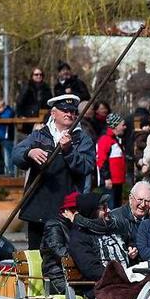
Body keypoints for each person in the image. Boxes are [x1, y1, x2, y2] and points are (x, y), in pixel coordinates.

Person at [14, 94, 95, 249]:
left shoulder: (82, 139)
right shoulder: (39, 136)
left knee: (63, 254)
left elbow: (86, 166)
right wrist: (29, 153)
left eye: (72, 111)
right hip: (38, 208)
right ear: (53, 113)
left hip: (66, 209)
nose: (69, 114)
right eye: (65, 110)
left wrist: (69, 150)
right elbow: (16, 155)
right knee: (35, 253)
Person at [69, 192, 131, 286]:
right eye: (104, 208)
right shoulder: (80, 236)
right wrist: (119, 277)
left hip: (127, 280)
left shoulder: (112, 226)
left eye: (107, 206)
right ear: (92, 212)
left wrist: (131, 246)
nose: (109, 210)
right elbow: (91, 269)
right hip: (104, 286)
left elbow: (129, 240)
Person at [41, 192, 78, 294]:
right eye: (74, 210)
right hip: (57, 277)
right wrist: (83, 257)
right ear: (65, 211)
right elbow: (59, 251)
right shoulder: (53, 225)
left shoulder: (75, 225)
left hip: (75, 275)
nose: (78, 213)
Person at [95, 113, 127, 208]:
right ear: (115, 126)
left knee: (116, 206)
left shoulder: (115, 139)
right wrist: (106, 178)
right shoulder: (105, 139)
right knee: (110, 207)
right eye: (122, 125)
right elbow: (101, 161)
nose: (125, 127)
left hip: (117, 181)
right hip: (110, 181)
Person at [0, 98, 17, 177]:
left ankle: (11, 172)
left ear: (4, 106)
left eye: (0, 107)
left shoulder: (9, 111)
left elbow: (8, 117)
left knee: (9, 154)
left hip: (7, 137)